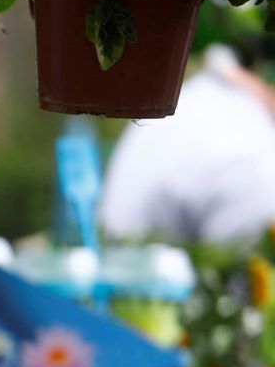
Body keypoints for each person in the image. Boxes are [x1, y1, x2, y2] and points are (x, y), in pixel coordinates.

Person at [101, 43, 275, 245]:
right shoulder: (252, 150)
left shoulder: (202, 96)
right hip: (138, 264)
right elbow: (246, 264)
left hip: (115, 255)